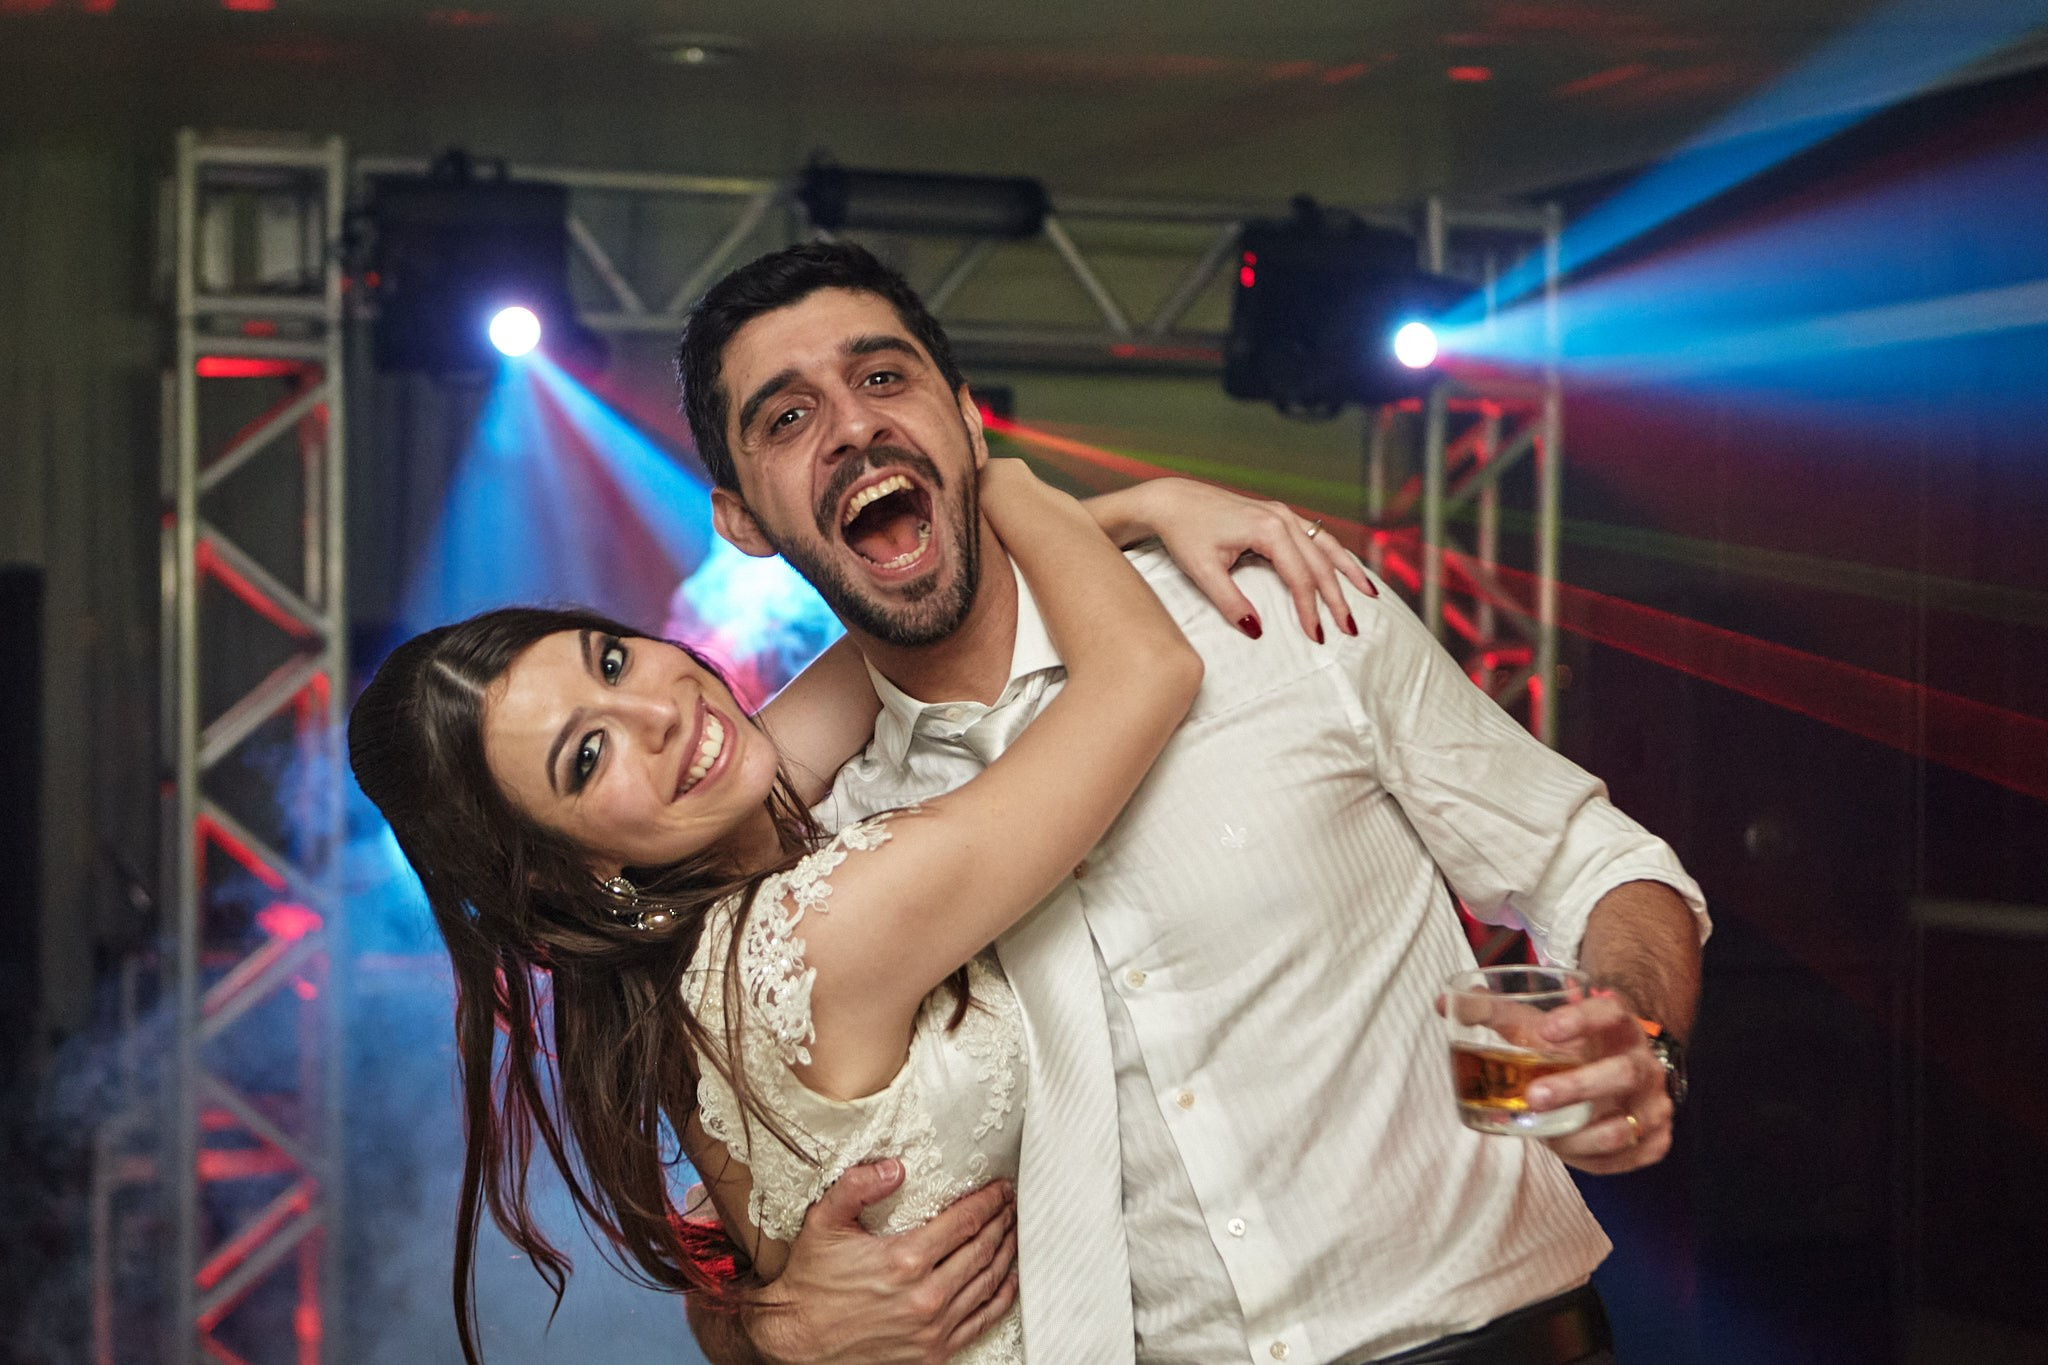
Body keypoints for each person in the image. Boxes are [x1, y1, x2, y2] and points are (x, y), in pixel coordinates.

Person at [673, 240, 1709, 1365]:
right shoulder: (821, 851)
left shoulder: (1272, 610)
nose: (851, 427)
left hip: (1492, 1334)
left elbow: (1591, 859)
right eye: (784, 418)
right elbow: (748, 1195)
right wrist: (764, 1323)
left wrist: (1635, 1031)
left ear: (967, 423)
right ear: (741, 520)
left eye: (883, 378)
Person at [348, 452, 1364, 1363]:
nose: (659, 712)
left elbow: (910, 641)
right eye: (587, 755)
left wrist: (1139, 505)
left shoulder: (687, 918)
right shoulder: (807, 936)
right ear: (565, 874)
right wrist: (1001, 484)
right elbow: (1145, 675)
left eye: (609, 660)